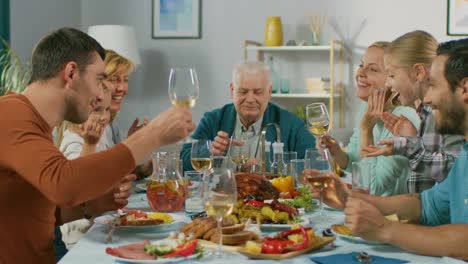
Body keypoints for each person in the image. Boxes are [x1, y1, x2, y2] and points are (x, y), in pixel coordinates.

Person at [0, 27, 195, 263]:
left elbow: (33, 210)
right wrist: (152, 135)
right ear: (71, 73)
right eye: (99, 79)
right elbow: (64, 184)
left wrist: (90, 206)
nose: (102, 95)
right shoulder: (9, 114)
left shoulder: (34, 123)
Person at [322, 38, 468, 260]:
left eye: (435, 85)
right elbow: (426, 205)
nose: (427, 99)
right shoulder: (465, 155)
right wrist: (349, 198)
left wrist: (384, 229)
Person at [362, 31, 464, 192]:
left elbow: (458, 169)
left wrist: (410, 146)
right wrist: (411, 140)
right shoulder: (423, 112)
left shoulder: (446, 113)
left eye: (391, 75)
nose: (387, 84)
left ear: (418, 72)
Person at [316, 42, 420, 196]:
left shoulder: (404, 119)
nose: (361, 73)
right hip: (371, 209)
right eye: (361, 65)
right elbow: (354, 164)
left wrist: (366, 130)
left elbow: (370, 188)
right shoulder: (367, 109)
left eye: (372, 69)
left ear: (391, 77)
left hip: (394, 216)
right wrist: (337, 152)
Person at [180, 61, 316, 172]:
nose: (250, 99)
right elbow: (182, 162)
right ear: (232, 91)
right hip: (223, 200)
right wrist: (209, 151)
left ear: (269, 92)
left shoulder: (292, 124)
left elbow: (315, 162)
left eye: (258, 92)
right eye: (243, 91)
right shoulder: (212, 120)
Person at [56, 86, 112, 249]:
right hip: (82, 238)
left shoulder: (99, 138)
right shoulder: (75, 143)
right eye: (96, 110)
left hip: (99, 228)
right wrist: (90, 144)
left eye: (107, 109)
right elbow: (79, 186)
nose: (104, 117)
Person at [102, 49, 151, 179]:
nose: (122, 88)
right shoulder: (85, 127)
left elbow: (115, 172)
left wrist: (142, 170)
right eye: (114, 80)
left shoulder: (111, 123)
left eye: (125, 80)